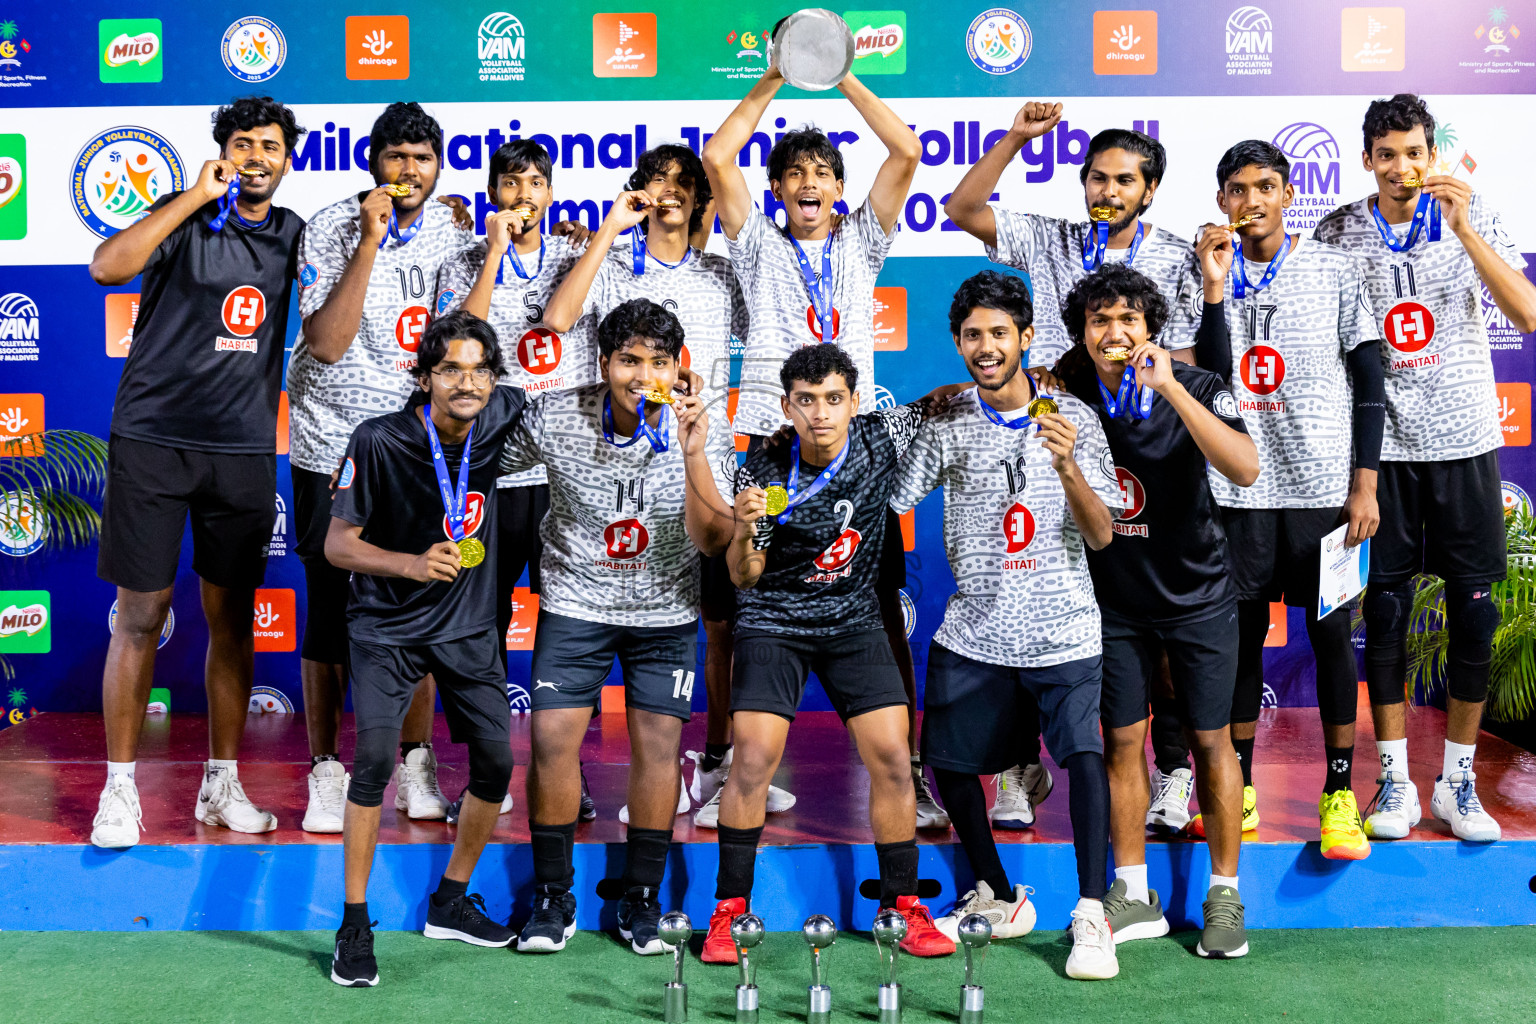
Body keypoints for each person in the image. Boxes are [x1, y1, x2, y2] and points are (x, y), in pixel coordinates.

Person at [945, 102, 1203, 830]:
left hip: (1142, 455)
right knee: (1030, 599)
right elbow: (964, 206)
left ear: (1149, 190)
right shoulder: (1052, 237)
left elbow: (1185, 363)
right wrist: (1019, 139)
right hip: (1051, 447)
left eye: (1124, 180)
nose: (1106, 191)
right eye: (1096, 178)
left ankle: (1174, 770)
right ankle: (1022, 765)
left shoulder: (1179, 255)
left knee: (1147, 624)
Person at [702, 66, 948, 828]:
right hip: (772, 444)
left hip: (857, 452)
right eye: (795, 174)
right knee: (745, 607)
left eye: (824, 173)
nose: (810, 183)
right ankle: (725, 766)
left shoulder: (862, 245)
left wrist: (837, 76)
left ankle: (907, 768)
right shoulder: (756, 249)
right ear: (776, 189)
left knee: (877, 604)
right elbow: (717, 159)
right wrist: (780, 74)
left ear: (839, 190)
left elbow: (905, 150)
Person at [683, 343, 956, 963]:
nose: (820, 415)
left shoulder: (882, 434)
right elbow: (743, 575)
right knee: (752, 758)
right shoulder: (764, 466)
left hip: (854, 622)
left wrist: (983, 389)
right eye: (805, 402)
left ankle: (903, 905)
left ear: (854, 403)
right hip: (774, 622)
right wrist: (750, 528)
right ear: (786, 405)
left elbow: (934, 403)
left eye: (833, 399)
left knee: (891, 755)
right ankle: (729, 911)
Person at [890, 272, 1125, 980]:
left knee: (1086, 759)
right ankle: (996, 890)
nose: (985, 348)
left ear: (1027, 338)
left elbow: (1103, 534)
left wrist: (1069, 466)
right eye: (972, 336)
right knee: (948, 765)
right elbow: (897, 493)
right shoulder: (951, 418)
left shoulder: (1073, 417)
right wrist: (912, 411)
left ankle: (1091, 912)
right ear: (958, 343)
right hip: (978, 628)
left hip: (1064, 630)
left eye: (999, 334)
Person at [86, 97, 307, 849]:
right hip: (151, 439)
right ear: (221, 151)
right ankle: (118, 791)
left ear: (288, 159)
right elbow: (105, 266)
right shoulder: (181, 215)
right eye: (242, 143)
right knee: (140, 615)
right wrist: (194, 195)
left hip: (241, 448)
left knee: (232, 621)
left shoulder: (292, 234)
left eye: (270, 146)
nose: (255, 156)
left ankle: (222, 782)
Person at [1317, 94, 1536, 843]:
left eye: (1415, 152)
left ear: (1431, 153)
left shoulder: (1472, 212)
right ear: (1368, 158)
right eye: (1388, 154)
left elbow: (1528, 311)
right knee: (1381, 614)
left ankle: (1458, 782)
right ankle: (1395, 784)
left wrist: (1466, 230)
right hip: (1382, 457)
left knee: (1475, 612)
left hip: (1468, 444)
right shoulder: (1340, 229)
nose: (1403, 168)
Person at [540, 145, 774, 827]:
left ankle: (717, 758)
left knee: (719, 616)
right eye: (657, 180)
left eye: (684, 183)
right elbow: (555, 323)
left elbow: (771, 335)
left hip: (701, 458)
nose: (670, 192)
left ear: (701, 198)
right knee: (589, 624)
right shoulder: (604, 262)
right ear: (637, 188)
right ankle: (572, 774)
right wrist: (610, 229)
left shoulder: (722, 274)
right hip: (610, 467)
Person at [500, 299, 734, 956]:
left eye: (658, 361)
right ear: (602, 362)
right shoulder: (553, 415)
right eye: (628, 359)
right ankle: (552, 895)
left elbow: (717, 538)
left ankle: (639, 899)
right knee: (550, 741)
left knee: (658, 752)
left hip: (664, 611)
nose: (642, 375)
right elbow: (479, 461)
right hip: (576, 604)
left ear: (676, 366)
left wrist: (693, 450)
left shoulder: (703, 423)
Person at [1053, 263, 1258, 959]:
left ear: (1150, 329)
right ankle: (1135, 891)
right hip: (1114, 600)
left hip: (1198, 593)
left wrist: (1170, 383)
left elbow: (1245, 468)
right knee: (1121, 742)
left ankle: (1225, 896)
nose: (1114, 333)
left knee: (1210, 744)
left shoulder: (1196, 384)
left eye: (1127, 321)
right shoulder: (1069, 390)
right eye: (1099, 321)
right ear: (1082, 335)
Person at [1191, 140, 1385, 861]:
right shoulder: (1207, 268)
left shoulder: (1335, 268)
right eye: (1238, 189)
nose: (1253, 201)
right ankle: (1236, 784)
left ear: (1288, 192)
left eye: (1266, 186)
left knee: (1332, 635)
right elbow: (1209, 381)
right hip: (1235, 492)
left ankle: (1339, 793)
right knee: (1239, 638)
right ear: (1223, 202)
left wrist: (1364, 481)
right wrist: (1213, 290)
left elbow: (1370, 382)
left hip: (1322, 490)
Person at [287, 102, 476, 832]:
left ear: (437, 166)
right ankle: (325, 772)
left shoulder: (451, 232)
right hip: (327, 443)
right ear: (375, 163)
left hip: (413, 449)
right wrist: (369, 240)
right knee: (330, 612)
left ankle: (416, 766)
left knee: (419, 603)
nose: (409, 172)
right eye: (396, 157)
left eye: (422, 159)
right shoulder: (330, 226)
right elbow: (328, 345)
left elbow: (462, 343)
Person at [325, 311, 524, 986]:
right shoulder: (377, 439)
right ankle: (353, 924)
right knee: (377, 761)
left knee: (496, 762)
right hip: (385, 626)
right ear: (424, 376)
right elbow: (337, 545)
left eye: (478, 370)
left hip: (466, 627)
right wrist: (411, 564)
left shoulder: (500, 415)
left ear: (494, 379)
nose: (466, 383)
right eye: (450, 369)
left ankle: (449, 900)